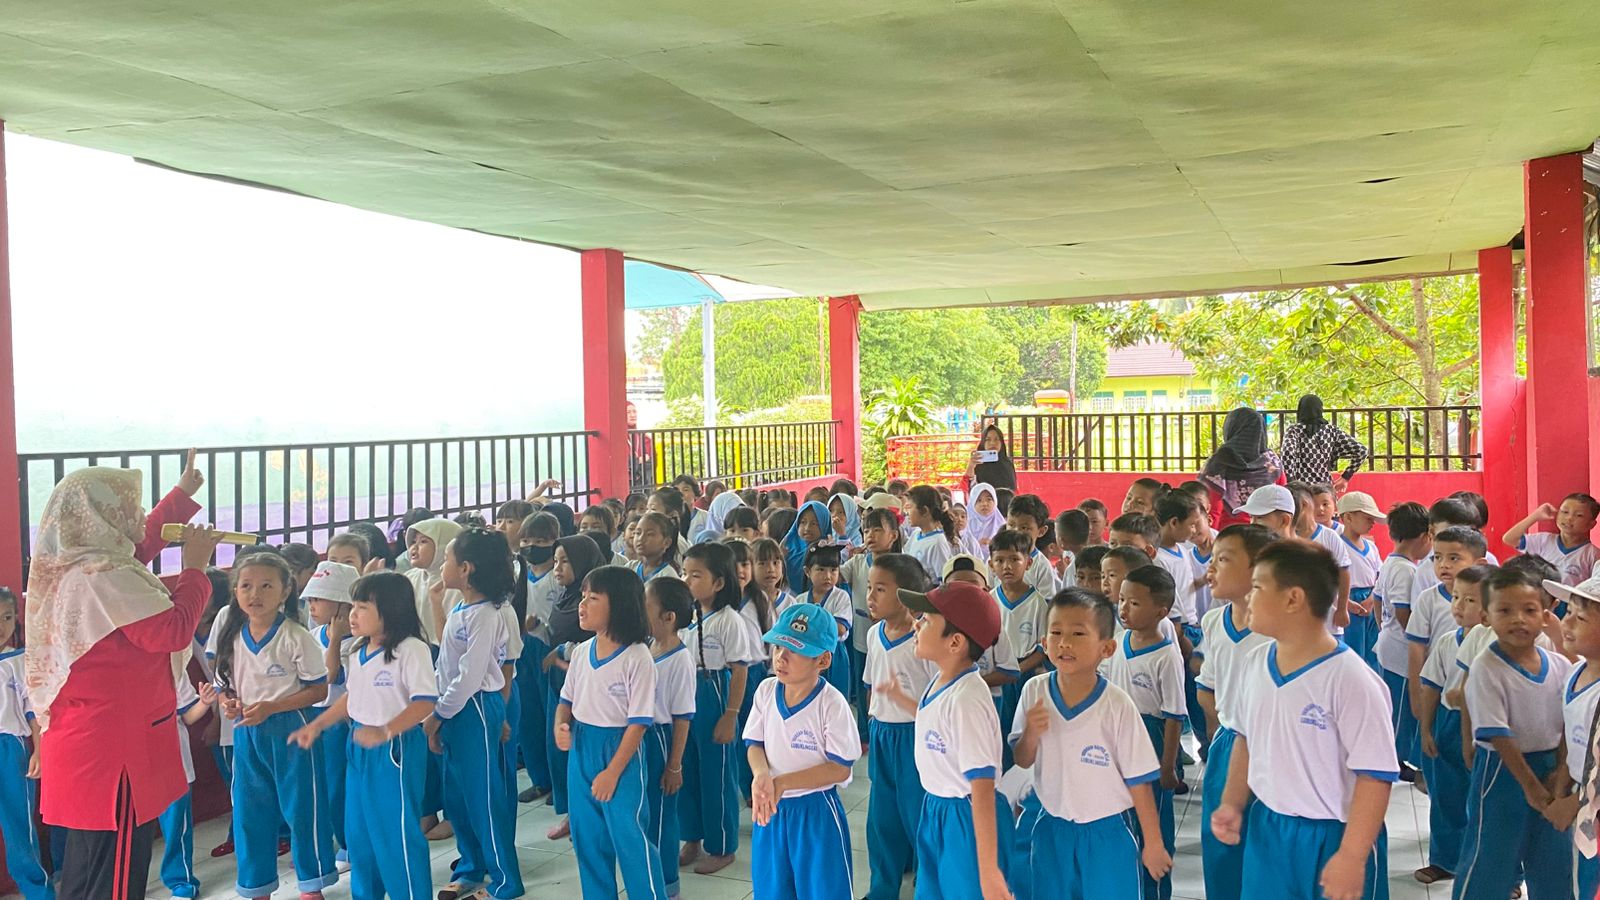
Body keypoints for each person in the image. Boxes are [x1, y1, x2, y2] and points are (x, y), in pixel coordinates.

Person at [26, 459, 222, 899]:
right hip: (117, 756)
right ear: (103, 515)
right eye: (127, 507)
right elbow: (171, 630)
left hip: (87, 743)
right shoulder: (104, 575)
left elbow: (133, 549)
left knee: (86, 866)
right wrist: (195, 568)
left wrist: (180, 495)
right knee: (115, 875)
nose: (134, 517)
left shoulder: (72, 563)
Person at [1211, 541, 1397, 900]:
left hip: (1335, 835)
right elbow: (1246, 738)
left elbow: (1376, 775)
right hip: (1269, 827)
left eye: (1257, 588)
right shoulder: (1255, 663)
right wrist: (1233, 802)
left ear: (1293, 599)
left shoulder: (1351, 680)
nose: (1248, 598)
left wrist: (1352, 855)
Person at [1011, 588, 1171, 900]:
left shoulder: (1117, 704)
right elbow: (1023, 759)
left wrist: (1153, 842)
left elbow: (1139, 780)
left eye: (1078, 633)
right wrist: (1030, 732)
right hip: (1051, 827)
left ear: (1107, 648)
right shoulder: (1034, 691)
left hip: (1107, 831)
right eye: (1055, 632)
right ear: (1044, 642)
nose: (1064, 642)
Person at [288, 572, 437, 900]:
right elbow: (350, 698)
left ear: (391, 609)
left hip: (394, 748)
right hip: (358, 745)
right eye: (352, 605)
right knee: (360, 835)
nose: (351, 615)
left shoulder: (411, 649)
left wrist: (386, 731)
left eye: (362, 607)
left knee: (395, 834)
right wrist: (317, 725)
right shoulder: (357, 651)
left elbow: (425, 701)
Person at [202, 551, 338, 898]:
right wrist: (228, 703)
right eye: (246, 586)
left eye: (266, 586)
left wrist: (273, 707)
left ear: (286, 590)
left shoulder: (295, 635)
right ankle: (256, 885)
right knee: (250, 813)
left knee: (302, 809)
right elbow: (223, 685)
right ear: (235, 591)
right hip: (247, 732)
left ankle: (312, 883)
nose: (255, 594)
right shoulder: (231, 635)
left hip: (292, 729)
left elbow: (318, 689)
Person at [881, 581, 1013, 900]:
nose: (915, 623)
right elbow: (938, 725)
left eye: (926, 620)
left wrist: (989, 870)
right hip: (937, 808)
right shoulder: (942, 680)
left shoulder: (968, 699)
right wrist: (903, 700)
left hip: (965, 816)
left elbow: (982, 788)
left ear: (954, 642)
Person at [1454, 567, 1573, 900]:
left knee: (1553, 859)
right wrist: (1532, 788)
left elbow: (1566, 725)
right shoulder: (1486, 667)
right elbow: (1500, 736)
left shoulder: (1560, 666)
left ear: (1546, 615)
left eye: (1529, 610)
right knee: (1491, 857)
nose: (1518, 619)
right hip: (1503, 772)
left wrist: (1562, 773)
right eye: (1505, 610)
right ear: (1486, 617)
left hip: (1550, 767)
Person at [552, 565, 665, 900]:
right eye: (582, 597)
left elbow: (639, 723)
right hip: (582, 745)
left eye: (593, 598)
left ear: (619, 605)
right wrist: (562, 724)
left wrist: (613, 772)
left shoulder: (637, 657)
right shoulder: (583, 651)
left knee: (629, 836)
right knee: (588, 838)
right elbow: (566, 700)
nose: (582, 605)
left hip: (619, 750)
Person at [424, 529, 522, 900]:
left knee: (483, 796)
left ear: (466, 568)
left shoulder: (486, 614)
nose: (442, 566)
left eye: (447, 559)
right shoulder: (462, 609)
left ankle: (505, 879)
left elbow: (470, 674)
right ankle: (470, 867)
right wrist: (439, 710)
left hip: (475, 708)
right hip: (456, 709)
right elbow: (447, 668)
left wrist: (437, 715)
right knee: (458, 797)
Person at [744, 603, 860, 900]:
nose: (782, 657)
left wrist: (783, 782)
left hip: (815, 812)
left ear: (822, 660)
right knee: (772, 888)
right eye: (779, 646)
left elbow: (840, 768)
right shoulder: (766, 692)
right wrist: (761, 775)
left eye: (795, 650)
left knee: (822, 889)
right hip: (771, 808)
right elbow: (754, 743)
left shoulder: (831, 704)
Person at [1194, 524, 1276, 900]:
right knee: (1222, 847)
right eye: (1212, 560)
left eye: (1223, 560)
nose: (1211, 570)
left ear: (1259, 568)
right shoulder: (1213, 622)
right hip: (1229, 744)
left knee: (1266, 850)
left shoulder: (1281, 630)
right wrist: (1217, 740)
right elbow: (1207, 689)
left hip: (1273, 746)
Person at [1102, 566, 1185, 900]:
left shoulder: (1166, 655)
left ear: (1161, 612)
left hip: (1151, 737)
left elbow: (1174, 716)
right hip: (1116, 732)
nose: (1123, 608)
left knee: (1152, 822)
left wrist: (1167, 768)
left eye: (1134, 603)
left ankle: (1155, 890)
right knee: (1121, 817)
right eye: (1122, 600)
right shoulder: (1118, 641)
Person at [677, 542, 755, 875]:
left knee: (717, 776)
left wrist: (730, 715)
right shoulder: (685, 618)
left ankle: (721, 845)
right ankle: (691, 836)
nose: (686, 580)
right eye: (684, 573)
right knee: (686, 769)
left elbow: (739, 669)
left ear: (719, 582)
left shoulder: (729, 620)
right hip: (685, 696)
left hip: (715, 694)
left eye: (695, 575)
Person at [1412, 563, 1491, 886]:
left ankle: (1505, 873)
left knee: (1487, 800)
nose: (1458, 606)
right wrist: (1427, 729)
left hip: (1486, 726)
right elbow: (1431, 685)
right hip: (1448, 721)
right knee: (1446, 795)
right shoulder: (1447, 641)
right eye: (1456, 597)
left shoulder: (1497, 643)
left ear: (1490, 608)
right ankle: (1445, 860)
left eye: (1470, 600)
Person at [861, 554, 935, 900]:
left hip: (915, 737)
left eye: (880, 589)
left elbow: (940, 696)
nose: (870, 597)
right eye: (869, 588)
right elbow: (870, 683)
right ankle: (882, 888)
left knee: (917, 813)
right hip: (882, 734)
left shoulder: (926, 640)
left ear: (905, 594)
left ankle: (927, 885)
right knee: (881, 817)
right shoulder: (875, 634)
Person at [302, 561, 360, 864]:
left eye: (318, 599)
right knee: (320, 788)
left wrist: (336, 639)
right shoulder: (313, 636)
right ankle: (328, 844)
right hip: (314, 720)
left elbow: (329, 677)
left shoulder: (357, 640)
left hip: (339, 724)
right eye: (310, 600)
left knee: (339, 787)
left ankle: (350, 845)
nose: (311, 606)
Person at [642, 577, 695, 900]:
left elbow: (683, 717)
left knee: (662, 816)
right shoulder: (648, 646)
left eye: (646, 605)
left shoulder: (680, 660)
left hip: (662, 740)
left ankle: (667, 886)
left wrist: (674, 765)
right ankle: (647, 880)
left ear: (669, 617)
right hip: (641, 737)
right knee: (646, 813)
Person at [1374, 501, 1431, 782]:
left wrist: (1381, 627)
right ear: (1424, 536)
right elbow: (1401, 609)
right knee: (1400, 710)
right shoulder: (1407, 570)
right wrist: (1418, 638)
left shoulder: (1390, 562)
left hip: (1389, 640)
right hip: (1400, 649)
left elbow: (1376, 600)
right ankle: (1394, 761)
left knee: (1395, 706)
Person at [1551, 580, 1600, 900]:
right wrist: (1562, 784)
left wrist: (1575, 801)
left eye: (1580, 618)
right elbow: (1571, 735)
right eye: (1568, 612)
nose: (1565, 622)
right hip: (1580, 798)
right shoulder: (1575, 672)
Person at [0, 589, 47, 900]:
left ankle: (38, 891)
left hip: (11, 748)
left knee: (19, 828)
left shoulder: (19, 661)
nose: (1, 625)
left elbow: (34, 711)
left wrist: (39, 751)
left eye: (6, 617)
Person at [1199, 407, 1283, 531]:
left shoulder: (1218, 463)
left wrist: (1212, 543)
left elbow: (1211, 509)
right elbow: (1282, 499)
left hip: (1229, 536)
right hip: (1267, 535)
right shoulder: (1272, 461)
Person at [1337, 492, 1386, 670]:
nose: (1372, 523)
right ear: (1348, 517)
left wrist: (1372, 599)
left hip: (1371, 601)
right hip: (1347, 601)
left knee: (1372, 651)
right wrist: (1345, 603)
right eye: (1368, 518)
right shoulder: (1336, 545)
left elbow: (1380, 575)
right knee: (1353, 652)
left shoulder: (1371, 547)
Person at [1505, 493, 1600, 586]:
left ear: (1591, 524)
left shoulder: (1593, 554)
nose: (1569, 518)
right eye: (1565, 512)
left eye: (1579, 515)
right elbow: (1509, 539)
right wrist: (1536, 516)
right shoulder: (1544, 540)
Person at [1279, 394, 1370, 485]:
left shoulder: (1294, 431)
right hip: (1325, 489)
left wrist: (1291, 481)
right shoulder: (1332, 431)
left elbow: (1287, 453)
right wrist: (1346, 477)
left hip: (1302, 490)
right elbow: (1362, 450)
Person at [401, 518, 463, 645]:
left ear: (443, 547)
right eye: (412, 542)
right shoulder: (409, 578)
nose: (414, 547)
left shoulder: (458, 585)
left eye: (423, 541)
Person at [905, 486, 958, 585]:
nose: (906, 513)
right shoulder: (916, 534)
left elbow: (944, 581)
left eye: (909, 507)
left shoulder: (937, 543)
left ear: (925, 511)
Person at [965, 425, 1018, 493]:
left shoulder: (1007, 464)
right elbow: (969, 486)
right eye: (988, 439)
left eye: (996, 439)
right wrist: (971, 466)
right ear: (983, 442)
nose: (992, 443)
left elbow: (1014, 490)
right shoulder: (977, 464)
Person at [968, 485, 1007, 560]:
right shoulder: (965, 522)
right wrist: (975, 545)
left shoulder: (1002, 524)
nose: (984, 504)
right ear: (972, 502)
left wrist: (994, 544)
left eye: (989, 499)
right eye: (979, 500)